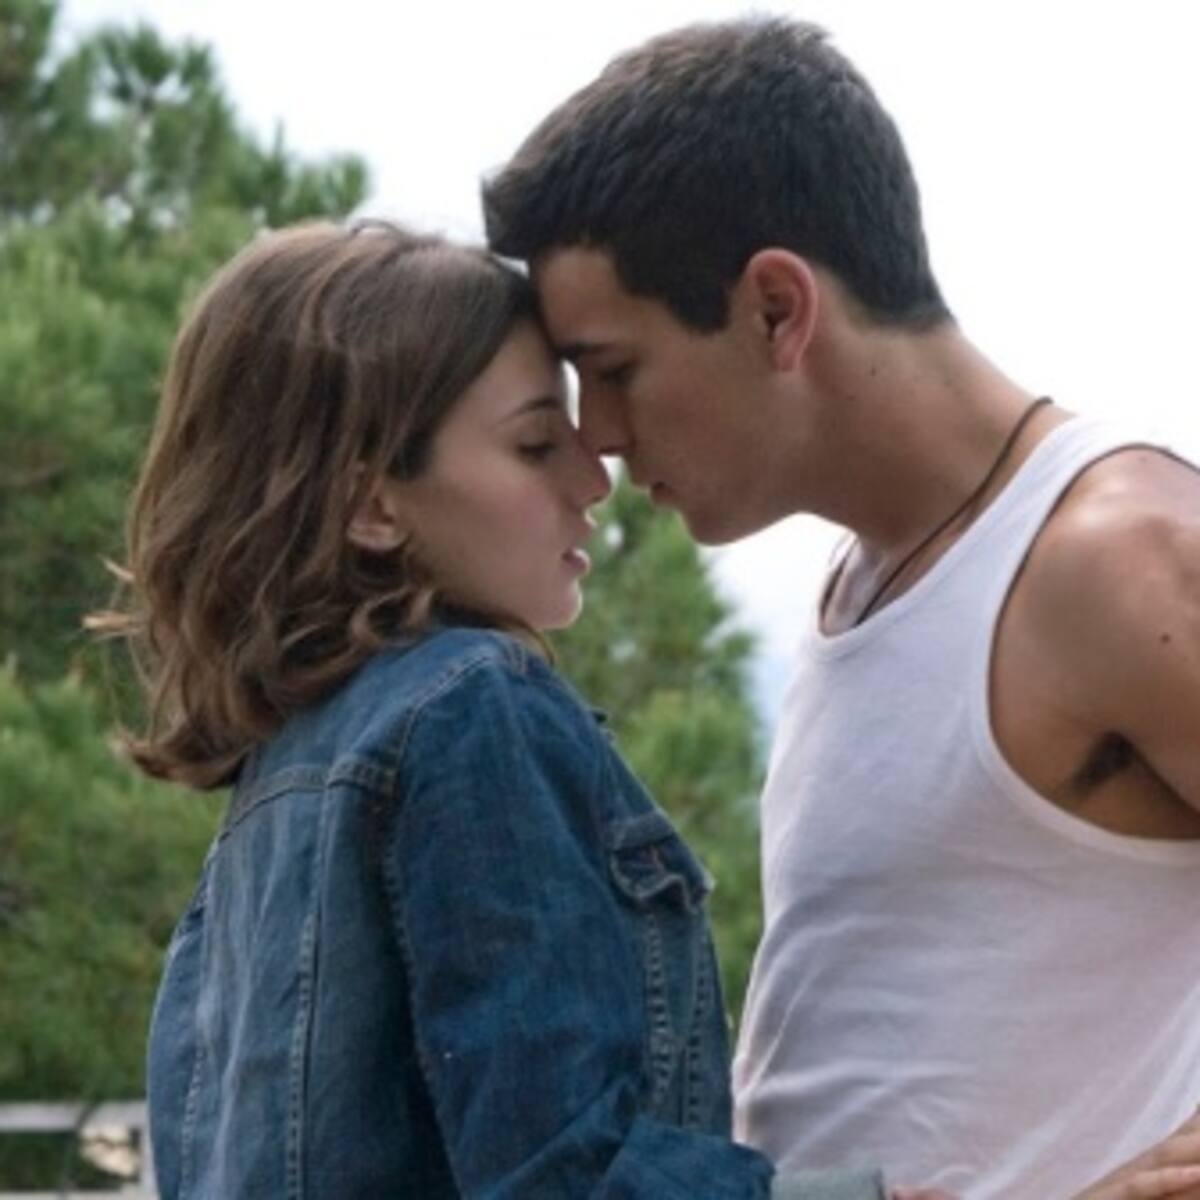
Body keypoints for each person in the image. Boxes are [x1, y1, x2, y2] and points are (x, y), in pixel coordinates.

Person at [482, 15, 1200, 1200]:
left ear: (777, 308)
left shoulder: (1121, 555)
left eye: (613, 370)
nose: (595, 436)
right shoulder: (857, 584)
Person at [93, 218, 904, 1199]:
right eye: (534, 444)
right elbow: (564, 1174)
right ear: (372, 506)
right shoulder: (474, 709)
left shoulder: (280, 775)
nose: (594, 481)